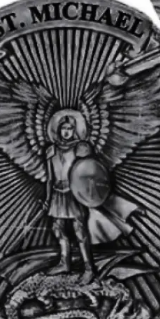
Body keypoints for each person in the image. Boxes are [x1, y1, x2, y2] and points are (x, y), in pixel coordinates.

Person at [44, 111, 96, 283]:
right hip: (57, 194)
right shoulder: (51, 150)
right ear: (58, 130)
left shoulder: (81, 148)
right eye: (63, 128)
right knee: (57, 229)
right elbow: (50, 178)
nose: (66, 131)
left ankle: (88, 268)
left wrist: (84, 192)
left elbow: (88, 172)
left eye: (69, 128)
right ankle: (64, 263)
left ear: (74, 130)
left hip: (74, 193)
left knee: (79, 230)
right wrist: (48, 198)